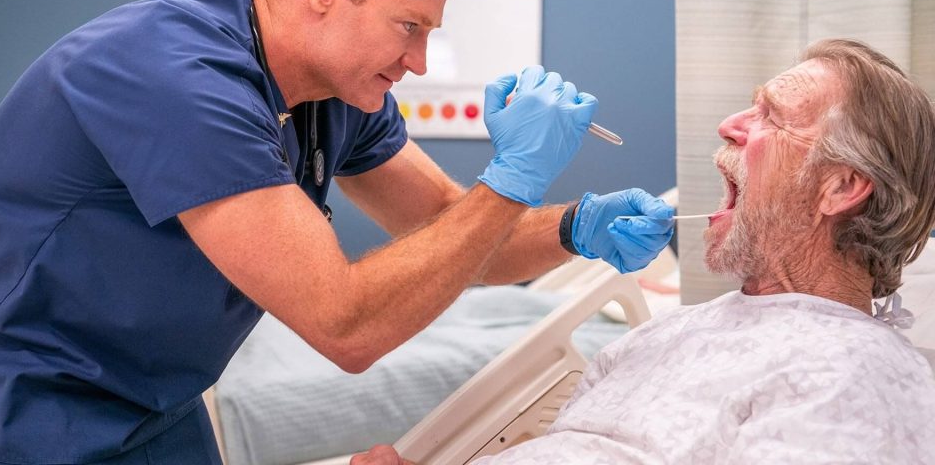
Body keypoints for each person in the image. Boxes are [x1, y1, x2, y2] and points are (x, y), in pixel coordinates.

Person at [0, 0, 676, 463]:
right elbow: (345, 326)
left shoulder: (337, 92)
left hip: (160, 391)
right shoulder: (173, 77)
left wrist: (577, 226)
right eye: (409, 26)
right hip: (35, 401)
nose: (419, 63)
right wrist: (510, 181)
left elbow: (453, 230)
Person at [352, 38, 935, 465]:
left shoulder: (853, 374)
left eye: (770, 117)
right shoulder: (663, 335)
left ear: (841, 187)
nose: (728, 125)